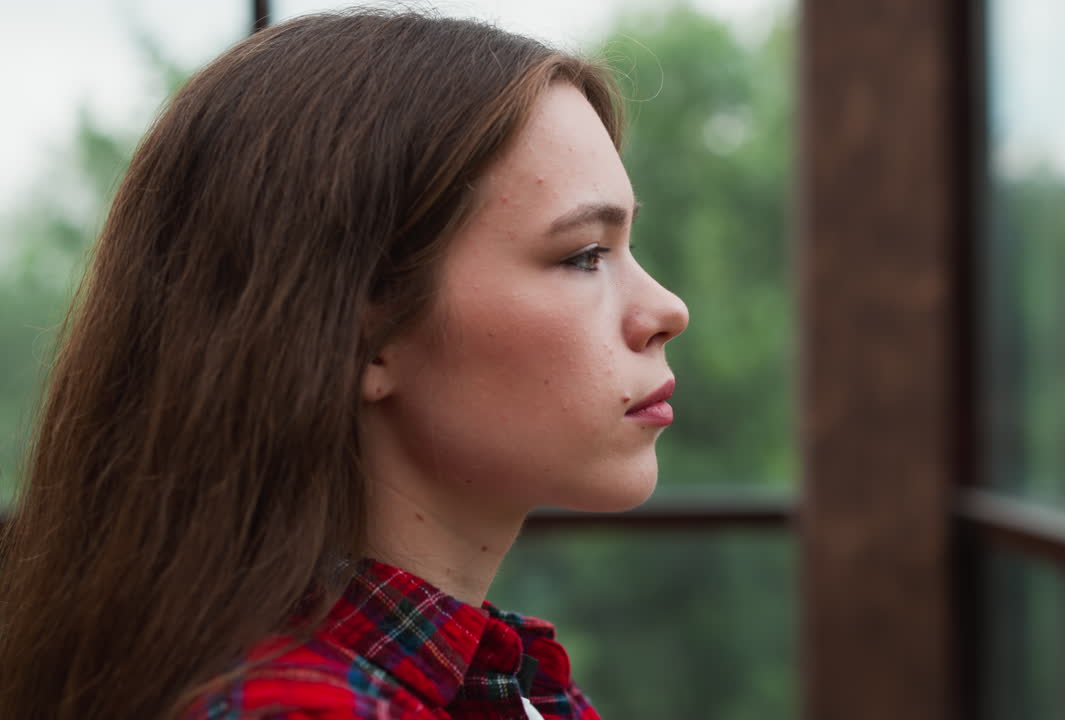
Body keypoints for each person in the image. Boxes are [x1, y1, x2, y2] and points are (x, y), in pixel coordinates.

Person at [0, 9, 688, 720]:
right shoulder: (294, 710)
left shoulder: (499, 685)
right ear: (368, 327)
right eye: (583, 256)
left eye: (626, 247)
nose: (667, 309)